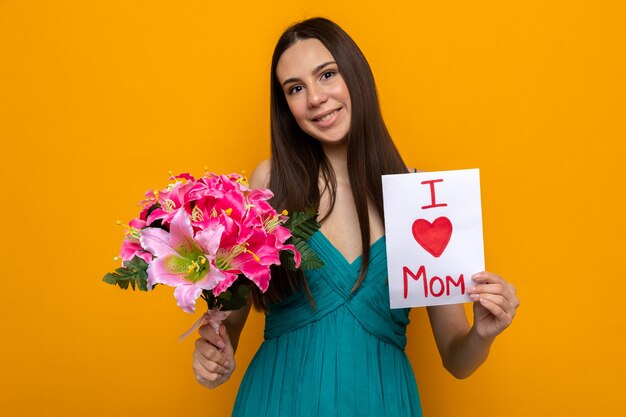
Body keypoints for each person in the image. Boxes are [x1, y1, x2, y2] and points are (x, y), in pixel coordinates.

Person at [192, 17, 519, 416]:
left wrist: (482, 335)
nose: (314, 98)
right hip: (278, 399)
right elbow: (232, 324)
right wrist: (214, 358)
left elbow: (456, 358)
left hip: (381, 401)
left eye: (327, 74)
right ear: (287, 106)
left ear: (356, 75)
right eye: (296, 88)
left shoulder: (422, 196)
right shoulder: (269, 181)